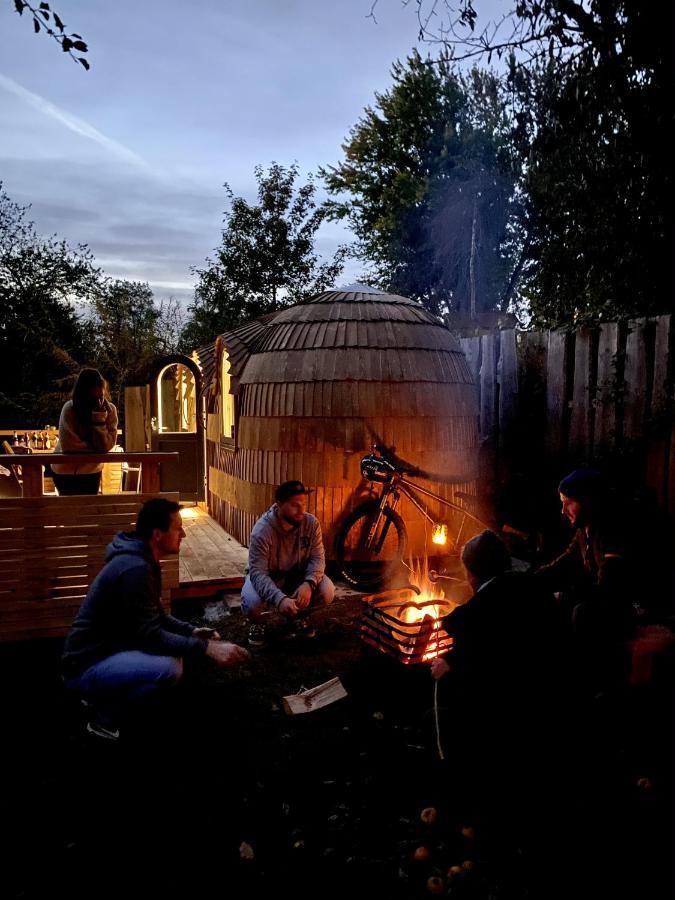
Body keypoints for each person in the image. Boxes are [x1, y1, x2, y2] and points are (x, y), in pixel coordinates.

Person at [62, 498, 249, 739]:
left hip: (107, 650)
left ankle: (100, 692)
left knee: (176, 654)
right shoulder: (135, 569)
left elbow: (156, 616)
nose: (183, 534)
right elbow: (150, 636)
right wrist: (207, 649)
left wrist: (191, 631)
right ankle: (103, 717)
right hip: (83, 665)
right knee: (170, 668)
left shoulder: (143, 560)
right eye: (177, 527)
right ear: (158, 534)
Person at [532, 468, 639, 693]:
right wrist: (525, 583)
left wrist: (566, 595)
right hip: (604, 602)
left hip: (627, 609)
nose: (563, 510)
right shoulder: (585, 531)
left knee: (582, 612)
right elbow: (561, 566)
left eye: (569, 503)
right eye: (562, 503)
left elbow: (611, 588)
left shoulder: (610, 532)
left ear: (587, 501)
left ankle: (594, 686)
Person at [241, 480, 335, 646]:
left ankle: (298, 618)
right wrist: (279, 598)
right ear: (279, 505)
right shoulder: (262, 531)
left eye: (304, 504)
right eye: (294, 505)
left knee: (327, 590)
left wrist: (309, 583)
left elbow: (318, 558)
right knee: (252, 602)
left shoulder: (311, 524)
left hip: (297, 576)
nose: (301, 510)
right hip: (269, 576)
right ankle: (257, 624)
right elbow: (258, 573)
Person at [51, 368, 118, 495]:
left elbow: (106, 446)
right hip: (65, 470)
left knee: (88, 509)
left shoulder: (109, 411)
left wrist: (99, 419)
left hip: (91, 470)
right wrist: (96, 450)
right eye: (93, 397)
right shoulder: (70, 409)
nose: (99, 401)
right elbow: (69, 446)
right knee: (69, 508)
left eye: (101, 396)